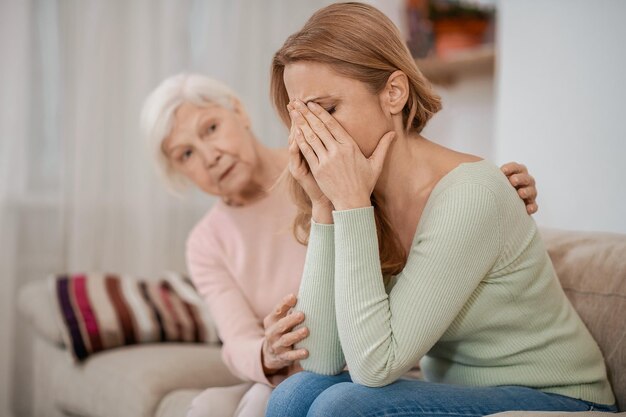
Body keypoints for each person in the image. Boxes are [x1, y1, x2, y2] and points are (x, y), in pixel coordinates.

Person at [264, 3, 617, 417]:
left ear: (393, 93)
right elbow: (321, 359)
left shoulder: (470, 194)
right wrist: (326, 205)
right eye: (301, 118)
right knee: (294, 394)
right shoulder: (361, 197)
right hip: (455, 391)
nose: (313, 135)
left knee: (342, 407)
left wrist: (350, 204)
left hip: (558, 395)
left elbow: (374, 369)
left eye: (325, 110)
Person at [140, 73, 540, 417]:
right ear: (178, 170)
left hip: (379, 350)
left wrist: (493, 187)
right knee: (222, 404)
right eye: (187, 154)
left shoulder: (331, 165)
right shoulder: (206, 241)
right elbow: (236, 338)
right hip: (306, 361)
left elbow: (426, 188)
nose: (210, 156)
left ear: (238, 112)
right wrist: (267, 351)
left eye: (211, 128)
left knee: (286, 400)